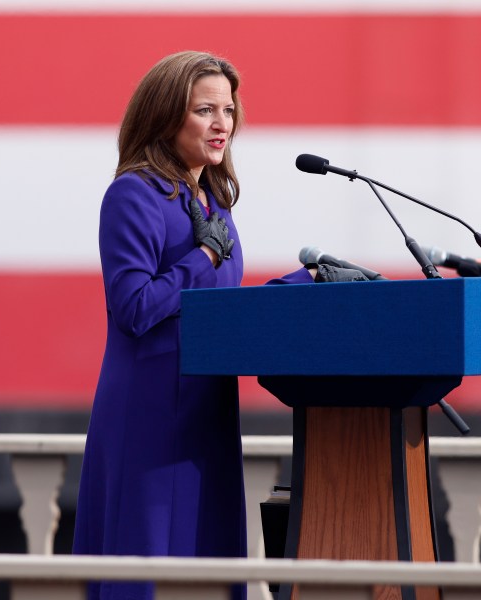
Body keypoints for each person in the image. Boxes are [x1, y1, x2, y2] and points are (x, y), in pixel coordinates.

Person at [72, 51, 365, 600]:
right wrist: (200, 257)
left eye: (228, 110)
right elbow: (133, 307)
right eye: (205, 109)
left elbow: (220, 306)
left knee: (207, 557)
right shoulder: (133, 194)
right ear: (165, 115)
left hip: (207, 405)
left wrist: (308, 281)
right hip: (149, 409)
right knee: (148, 561)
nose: (222, 123)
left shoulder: (214, 203)